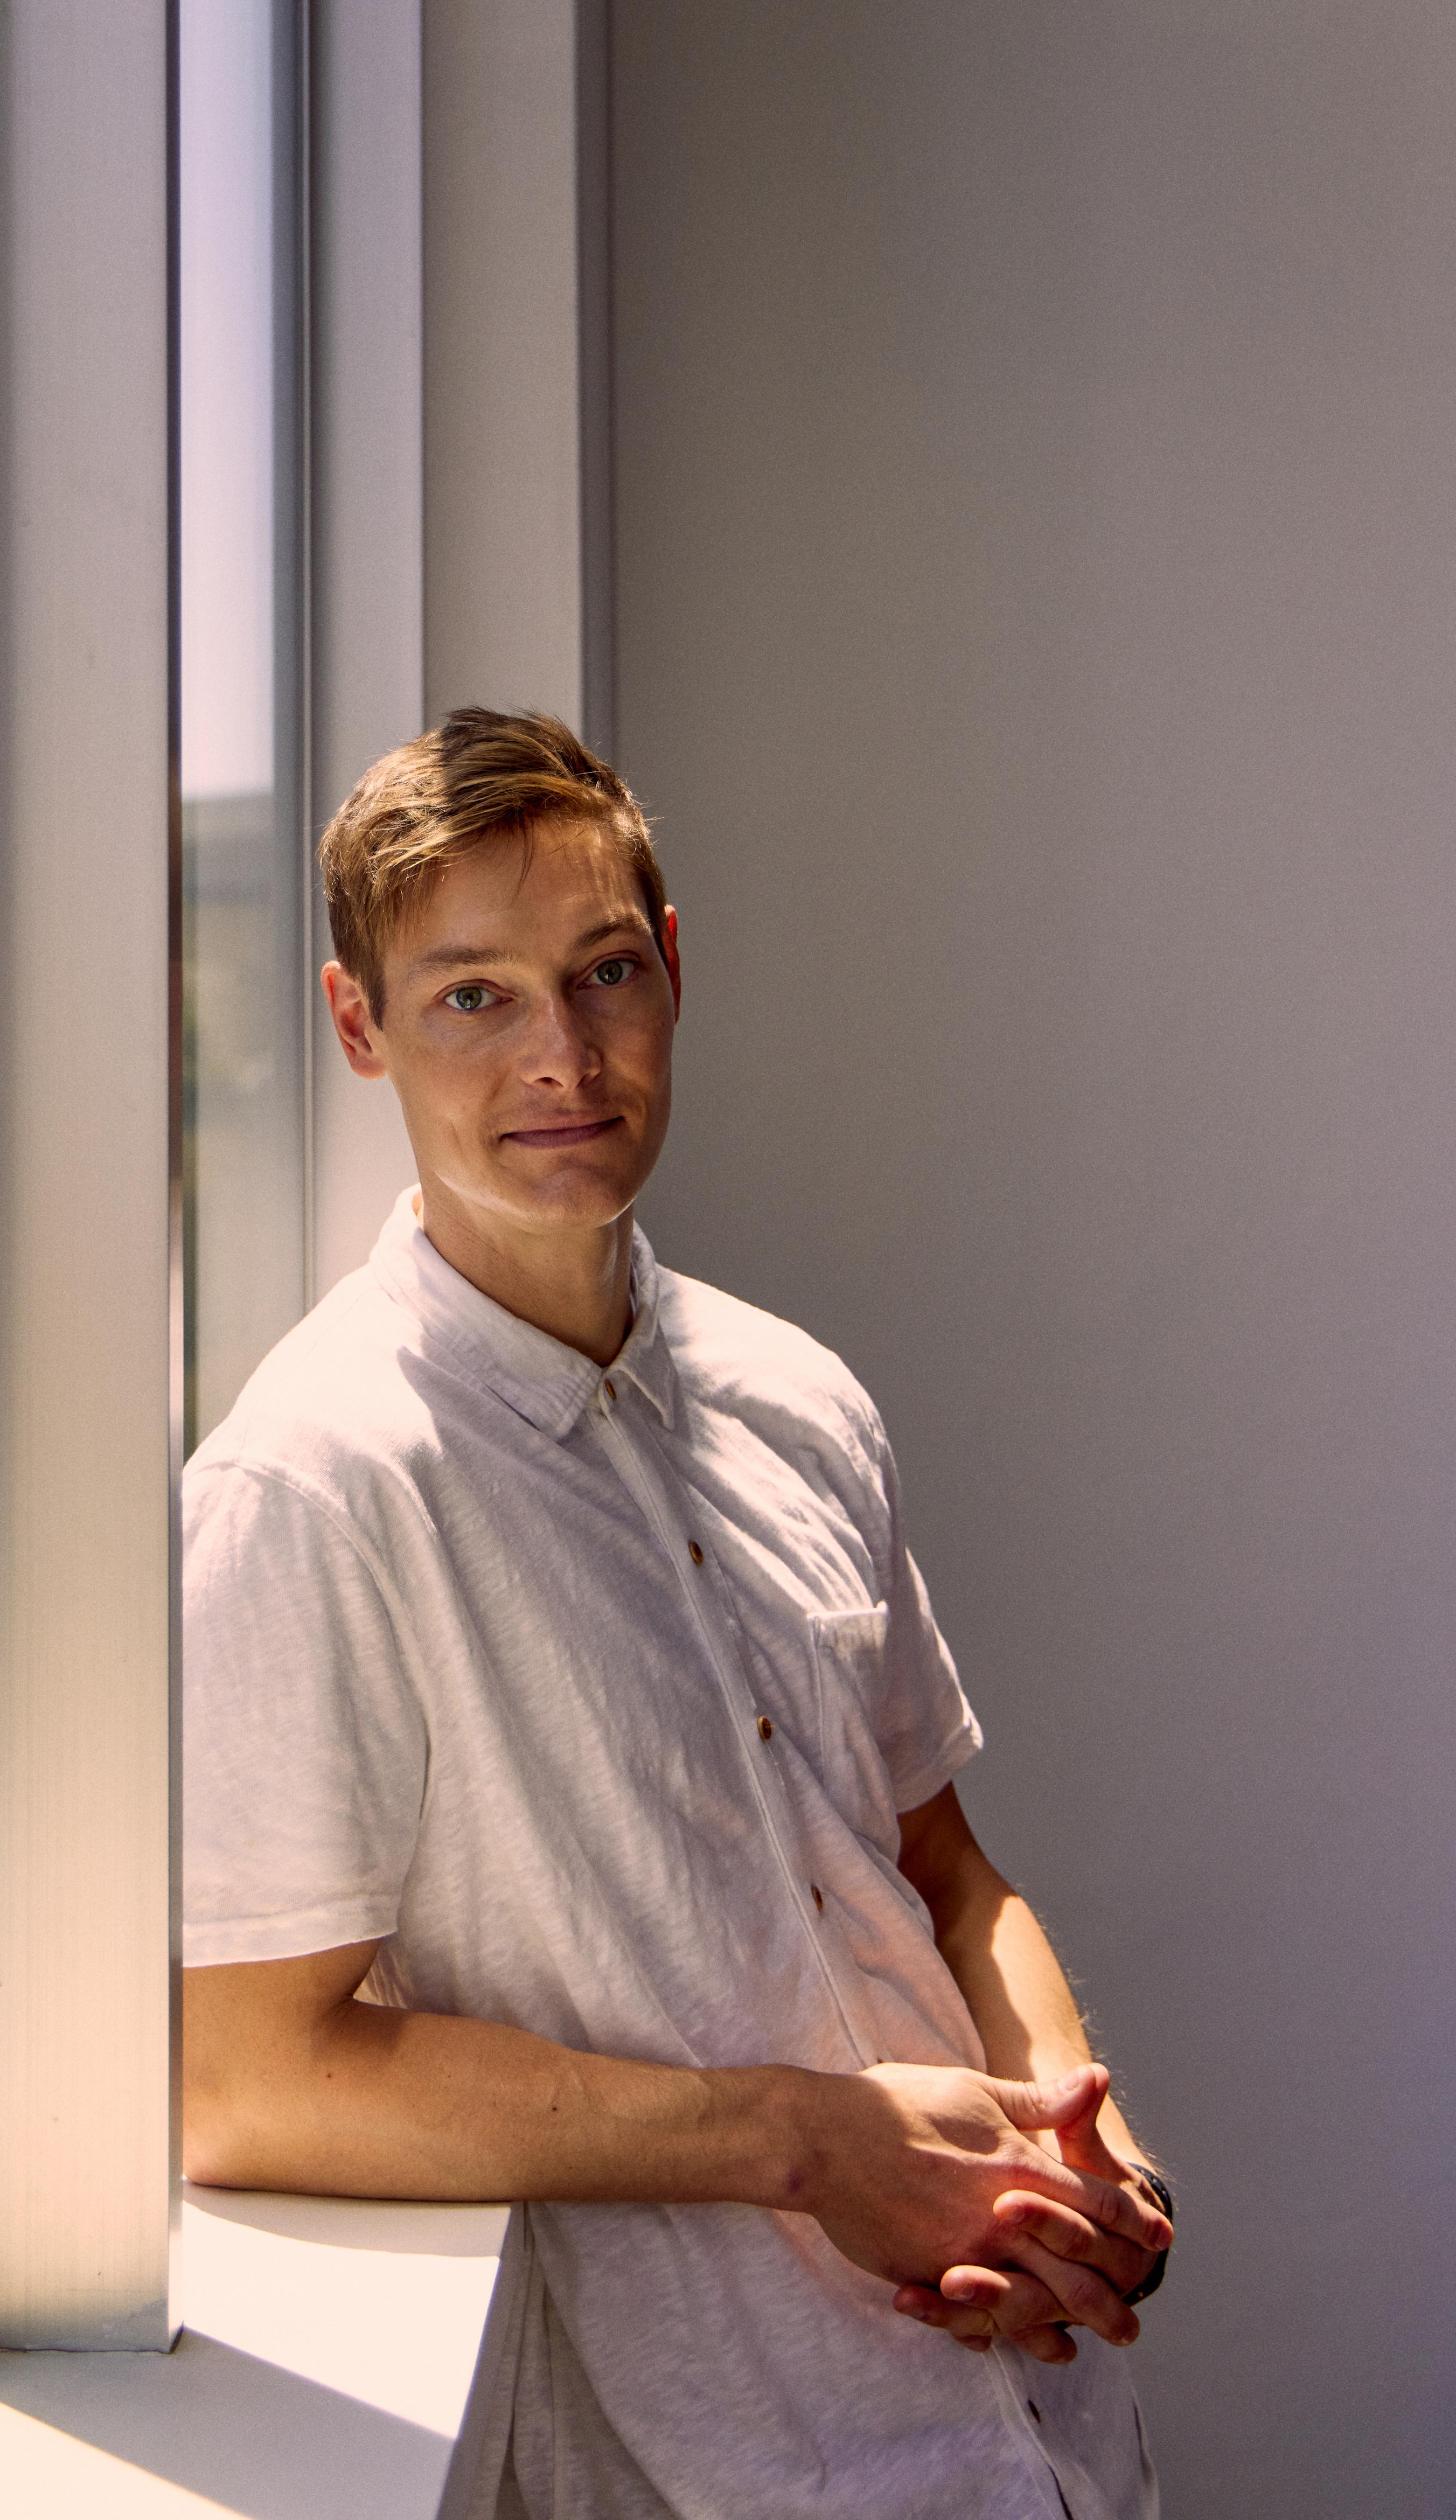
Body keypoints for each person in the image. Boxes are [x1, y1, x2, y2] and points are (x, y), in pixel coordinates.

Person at [182, 710, 1172, 2520]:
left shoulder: (798, 1390)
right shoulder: (308, 1488)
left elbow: (947, 1875)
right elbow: (248, 2081)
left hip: (1037, 2429)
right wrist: (813, 2146)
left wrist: (1072, 2137)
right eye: (471, 995)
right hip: (723, 2468)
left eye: (601, 972)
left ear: (673, 971)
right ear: (358, 1027)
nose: (561, 1055)